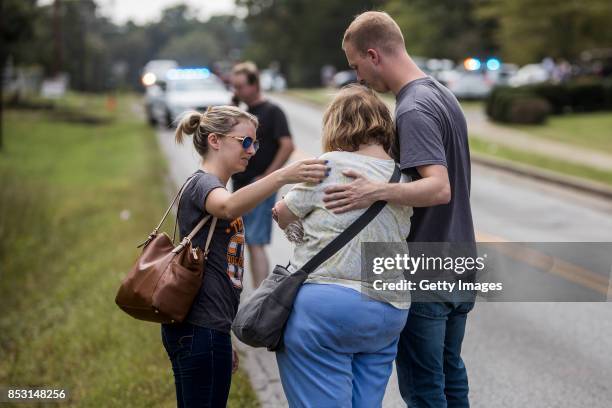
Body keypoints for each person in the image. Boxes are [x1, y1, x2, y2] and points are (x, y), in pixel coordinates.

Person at [323, 11, 476, 407]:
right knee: (450, 377)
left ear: (373, 55)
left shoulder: (412, 109)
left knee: (425, 389)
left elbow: (438, 187)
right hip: (459, 258)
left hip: (427, 266)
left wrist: (375, 190)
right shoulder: (441, 93)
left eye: (356, 65)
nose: (358, 77)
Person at [162, 105, 327, 407]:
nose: (252, 151)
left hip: (208, 330)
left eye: (256, 143)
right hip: (199, 330)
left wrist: (224, 336)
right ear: (215, 141)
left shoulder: (213, 185)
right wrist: (281, 176)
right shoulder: (204, 184)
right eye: (245, 142)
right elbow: (228, 207)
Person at [272, 85, 413, 407]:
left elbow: (286, 214)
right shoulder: (401, 176)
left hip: (328, 305)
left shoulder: (329, 165)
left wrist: (286, 216)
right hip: (389, 309)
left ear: (336, 124)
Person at [230, 62, 295, 288]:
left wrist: (268, 177)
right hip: (239, 184)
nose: (236, 91)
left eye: (240, 86)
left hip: (260, 185)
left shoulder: (272, 112)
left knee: (255, 240)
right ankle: (252, 290)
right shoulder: (241, 114)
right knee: (243, 240)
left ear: (254, 84)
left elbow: (287, 145)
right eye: (234, 87)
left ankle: (260, 294)